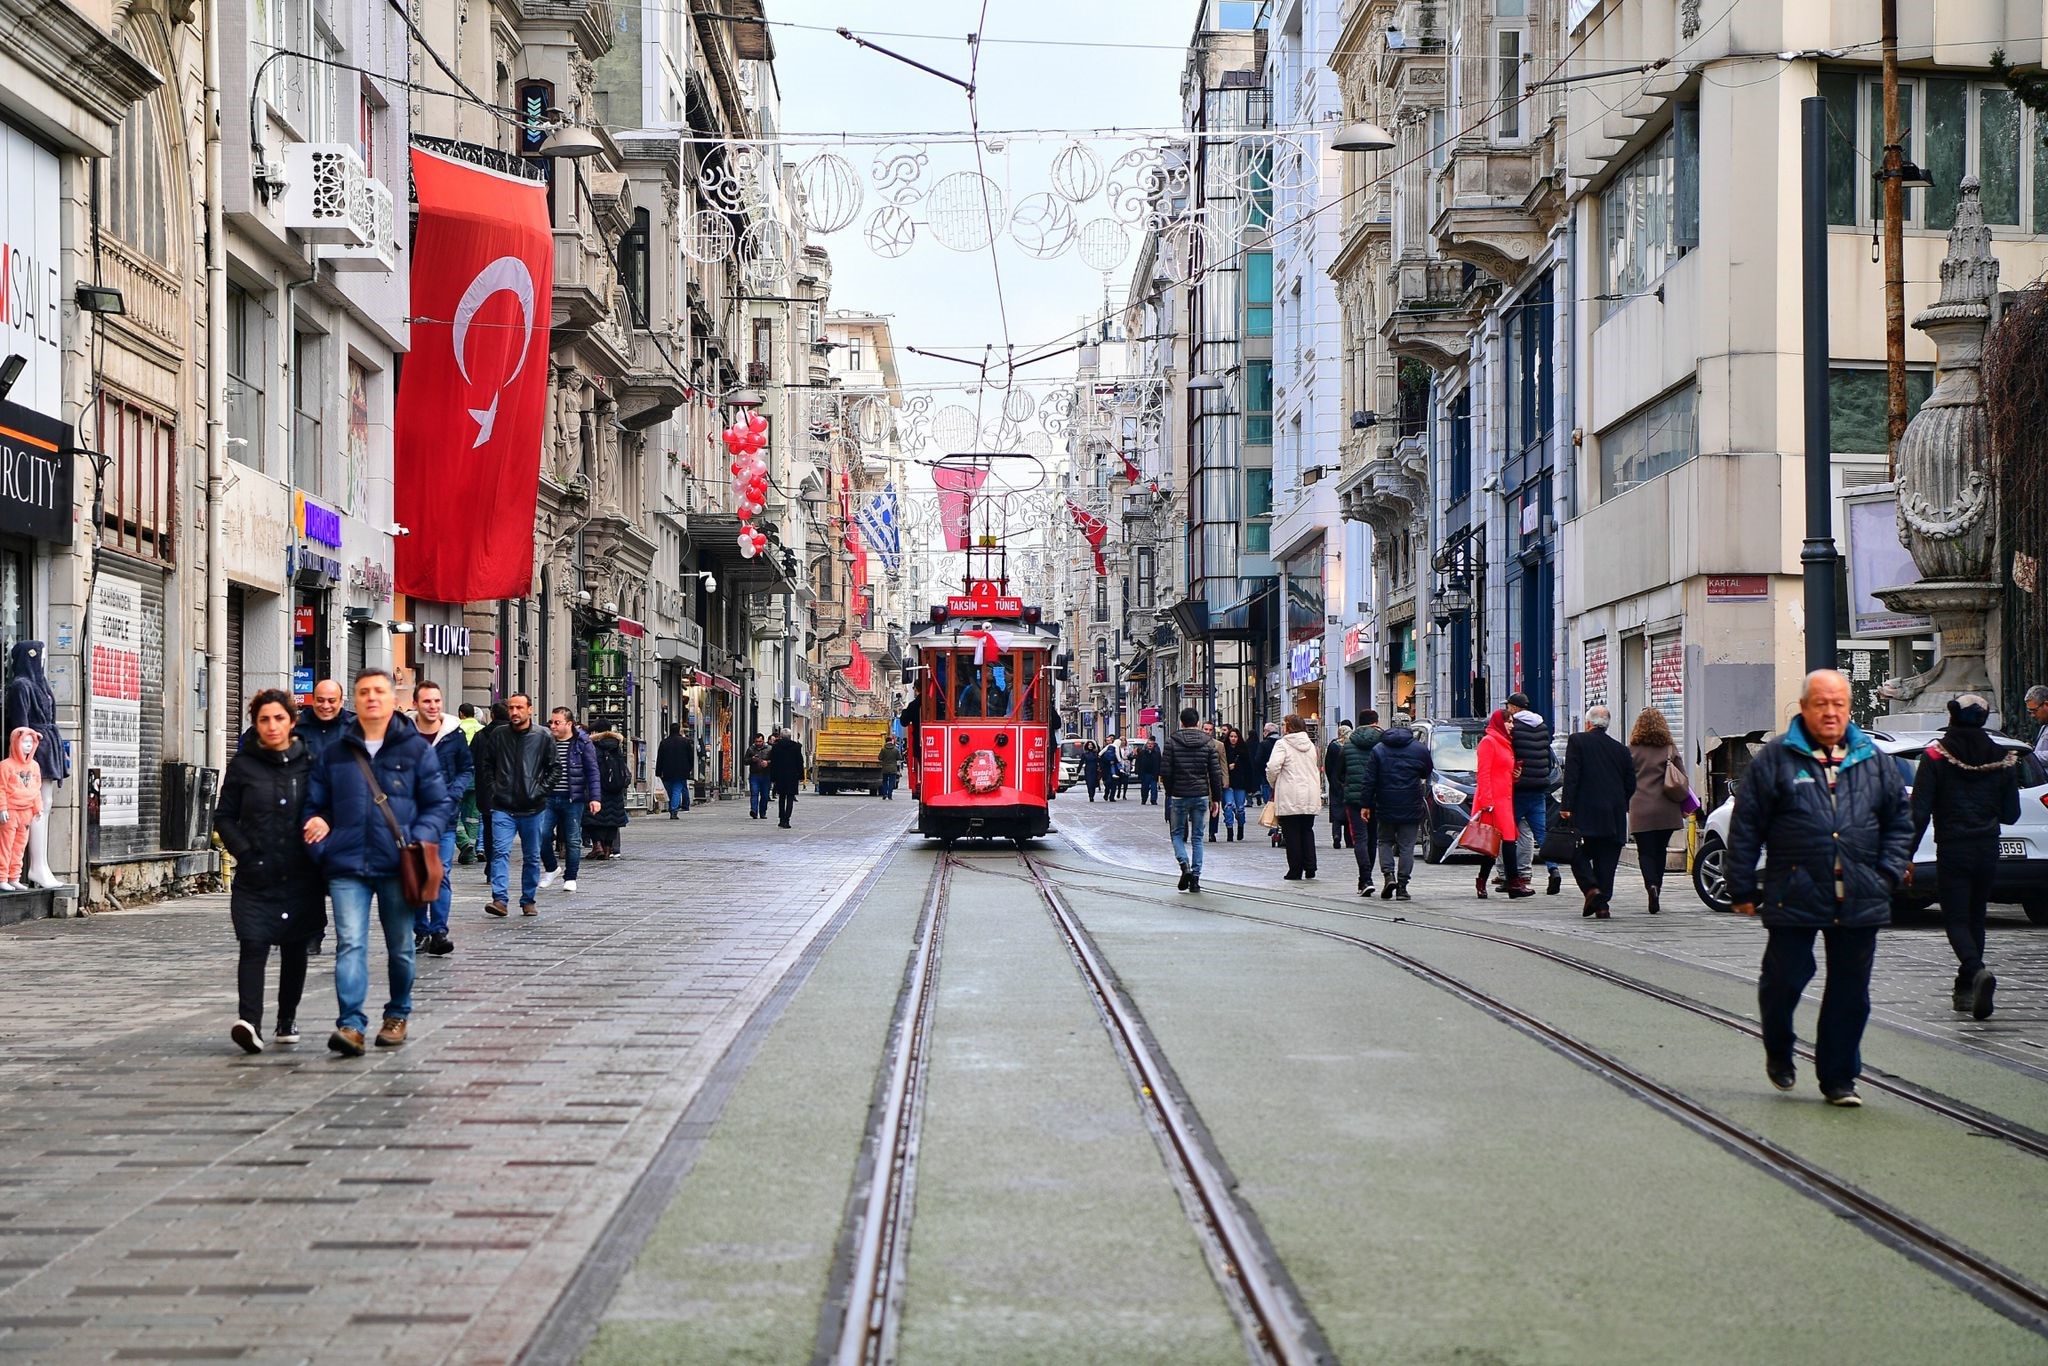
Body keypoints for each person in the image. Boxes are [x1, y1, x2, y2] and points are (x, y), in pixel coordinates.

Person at [1728, 669, 1913, 1107]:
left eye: (1839, 704)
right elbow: (1747, 825)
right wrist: (1740, 886)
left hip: (1861, 893)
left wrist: (1885, 873)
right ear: (1805, 707)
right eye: (1822, 704)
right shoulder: (1776, 759)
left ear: (1849, 709)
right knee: (1785, 980)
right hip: (1794, 888)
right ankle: (1778, 1045)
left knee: (1851, 992)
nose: (1831, 712)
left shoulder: (1874, 759)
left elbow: (1899, 824)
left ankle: (1839, 1078)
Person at [302, 669, 453, 1057]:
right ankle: (350, 1025)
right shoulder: (336, 751)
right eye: (364, 691)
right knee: (349, 943)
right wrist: (320, 831)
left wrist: (420, 838)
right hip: (346, 862)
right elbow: (315, 805)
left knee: (401, 946)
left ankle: (397, 1013)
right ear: (355, 699)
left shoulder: (414, 750)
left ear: (392, 699)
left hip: (397, 861)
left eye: (379, 691)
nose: (371, 697)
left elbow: (438, 803)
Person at [214, 690, 325, 1053]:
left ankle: (287, 1018)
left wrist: (322, 826)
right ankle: (249, 1022)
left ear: (292, 722)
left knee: (295, 948)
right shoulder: (244, 765)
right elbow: (224, 816)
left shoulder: (309, 762)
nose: (272, 725)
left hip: (300, 873)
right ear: (255, 724)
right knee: (253, 944)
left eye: (279, 718)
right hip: (256, 874)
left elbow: (327, 807)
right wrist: (245, 853)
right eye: (264, 719)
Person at [1910, 694, 2021, 1019]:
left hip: (1953, 849)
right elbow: (2011, 814)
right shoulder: (2003, 757)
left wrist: (1905, 856)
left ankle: (1975, 969)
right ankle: (1965, 989)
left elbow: (1919, 813)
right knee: (1976, 918)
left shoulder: (1936, 754)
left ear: (1953, 717)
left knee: (1956, 919)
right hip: (1987, 849)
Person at [479, 694, 556, 918]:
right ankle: (499, 899)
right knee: (500, 851)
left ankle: (528, 900)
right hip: (503, 806)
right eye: (511, 708)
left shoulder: (542, 736)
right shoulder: (499, 734)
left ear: (529, 709)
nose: (514, 712)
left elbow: (554, 768)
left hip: (533, 808)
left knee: (531, 855)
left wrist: (540, 791)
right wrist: (495, 789)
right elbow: (487, 764)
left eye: (519, 708)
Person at [411, 681, 471, 956]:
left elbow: (466, 769)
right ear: (416, 704)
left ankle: (438, 930)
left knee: (441, 873)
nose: (433, 706)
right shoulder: (403, 734)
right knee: (416, 875)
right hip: (411, 818)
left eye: (437, 701)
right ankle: (420, 931)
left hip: (445, 817)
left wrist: (453, 795)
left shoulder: (453, 734)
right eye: (427, 702)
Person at [1559, 706, 1636, 919]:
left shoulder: (1578, 741)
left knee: (1576, 853)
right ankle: (1602, 906)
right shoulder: (1621, 749)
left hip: (1586, 812)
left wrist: (1566, 806)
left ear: (1588, 723)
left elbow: (1572, 776)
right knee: (1607, 860)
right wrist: (1621, 802)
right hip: (1614, 815)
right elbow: (1631, 783)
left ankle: (1591, 889)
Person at [1355, 714, 1433, 901]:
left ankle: (1389, 875)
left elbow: (1369, 779)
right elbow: (1427, 770)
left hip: (1385, 802)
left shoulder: (1379, 749)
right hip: (1410, 802)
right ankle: (1403, 887)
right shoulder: (1419, 749)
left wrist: (1365, 804)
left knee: (1384, 841)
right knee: (1407, 846)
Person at [1627, 706, 1687, 914]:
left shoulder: (1632, 749)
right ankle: (1657, 887)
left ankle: (1650, 885)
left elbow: (1625, 778)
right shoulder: (1669, 748)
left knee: (1645, 851)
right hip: (1666, 808)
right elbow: (1682, 777)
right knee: (1660, 850)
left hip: (1640, 806)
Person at [1162, 707, 1226, 893]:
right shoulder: (1208, 743)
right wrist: (1217, 799)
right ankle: (1195, 879)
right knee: (1198, 837)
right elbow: (1215, 773)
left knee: (1177, 834)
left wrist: (1170, 791)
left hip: (1179, 795)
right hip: (1201, 795)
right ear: (1198, 723)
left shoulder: (1171, 741)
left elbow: (1165, 771)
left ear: (1181, 722)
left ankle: (1185, 866)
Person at [539, 708, 601, 893]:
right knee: (541, 835)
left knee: (573, 839)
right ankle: (551, 868)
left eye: (557, 722)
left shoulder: (582, 742)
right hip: (548, 797)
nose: (552, 726)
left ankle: (571, 877)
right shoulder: (546, 741)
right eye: (551, 722)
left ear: (569, 724)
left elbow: (592, 771)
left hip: (573, 798)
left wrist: (595, 798)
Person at [1506, 693, 1560, 895]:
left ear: (1514, 708)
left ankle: (1510, 877)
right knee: (1541, 833)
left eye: (1509, 707)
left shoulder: (1515, 728)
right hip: (1539, 786)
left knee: (1508, 833)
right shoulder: (1542, 726)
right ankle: (1553, 869)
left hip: (1519, 787)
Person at [1472, 709, 1528, 898]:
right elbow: (1484, 773)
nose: (1512, 725)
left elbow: (1503, 772)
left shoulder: (1505, 743)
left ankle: (1507, 882)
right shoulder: (1489, 742)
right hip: (1492, 800)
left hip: (1505, 799)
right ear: (1499, 722)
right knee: (1494, 843)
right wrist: (1487, 801)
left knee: (1506, 841)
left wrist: (1515, 776)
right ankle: (1507, 882)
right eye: (1508, 721)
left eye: (1512, 721)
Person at [1266, 715, 1323, 881]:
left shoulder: (1282, 744)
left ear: (1289, 727)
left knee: (1291, 834)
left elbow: (1272, 767)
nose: (1282, 727)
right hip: (1310, 793)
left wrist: (1273, 782)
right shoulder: (1311, 745)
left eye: (1284, 724)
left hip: (1290, 793)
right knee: (1307, 830)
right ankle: (1310, 866)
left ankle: (1295, 870)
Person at [1340, 712, 1383, 886]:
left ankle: (1365, 879)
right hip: (1377, 797)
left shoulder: (1348, 745)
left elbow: (1338, 773)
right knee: (1373, 838)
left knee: (1360, 838)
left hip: (1354, 799)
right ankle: (1368, 876)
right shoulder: (1382, 745)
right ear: (1376, 723)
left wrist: (1347, 786)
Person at [470, 701, 511, 878]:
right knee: (505, 828)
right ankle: (498, 865)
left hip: (485, 789)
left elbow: (469, 759)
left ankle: (491, 864)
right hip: (509, 790)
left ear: (492, 715)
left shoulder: (480, 736)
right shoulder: (514, 735)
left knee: (488, 827)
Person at [585, 729, 631, 858]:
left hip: (597, 788)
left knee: (592, 819)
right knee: (613, 820)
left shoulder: (593, 747)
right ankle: (608, 848)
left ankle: (597, 845)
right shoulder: (616, 747)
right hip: (615, 789)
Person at [297, 679, 355, 758]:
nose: (325, 706)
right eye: (320, 700)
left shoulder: (355, 726)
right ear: (313, 700)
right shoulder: (296, 726)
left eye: (331, 701)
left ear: (341, 702)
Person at [1324, 720, 1354, 849]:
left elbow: (1327, 765)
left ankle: (1336, 835)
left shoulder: (1333, 745)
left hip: (1335, 781)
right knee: (1348, 813)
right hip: (1349, 782)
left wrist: (1331, 780)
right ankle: (1349, 840)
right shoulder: (1351, 746)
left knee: (1336, 812)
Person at [655, 722, 695, 817]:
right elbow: (691, 757)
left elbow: (660, 758)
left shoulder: (664, 742)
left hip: (667, 771)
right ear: (678, 730)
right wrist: (689, 768)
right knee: (677, 790)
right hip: (682, 771)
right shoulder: (685, 742)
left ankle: (672, 807)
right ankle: (673, 810)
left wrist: (658, 771)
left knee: (669, 791)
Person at [768, 727, 805, 827]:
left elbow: (773, 763)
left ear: (780, 736)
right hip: (792, 777)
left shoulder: (776, 747)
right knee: (790, 798)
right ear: (790, 736)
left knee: (781, 798)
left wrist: (773, 777)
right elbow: (800, 762)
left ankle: (781, 819)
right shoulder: (796, 747)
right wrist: (801, 776)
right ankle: (787, 820)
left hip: (780, 776)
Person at [744, 733, 773, 819]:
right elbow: (745, 761)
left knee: (764, 795)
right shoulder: (751, 749)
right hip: (754, 774)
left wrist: (767, 763)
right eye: (756, 741)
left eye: (760, 741)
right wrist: (752, 759)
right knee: (754, 793)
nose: (758, 743)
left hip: (766, 775)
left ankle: (762, 812)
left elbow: (775, 760)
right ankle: (754, 811)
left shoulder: (769, 749)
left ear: (763, 741)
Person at [1134, 736, 1161, 805]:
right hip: (1145, 773)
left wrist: (1160, 772)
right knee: (1144, 788)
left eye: (1151, 744)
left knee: (1154, 788)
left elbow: (1159, 762)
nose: (1150, 745)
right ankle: (1144, 799)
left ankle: (1153, 800)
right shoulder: (1142, 753)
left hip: (1153, 773)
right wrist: (1137, 770)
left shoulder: (1157, 753)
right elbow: (1138, 762)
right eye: (1148, 743)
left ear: (1154, 744)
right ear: (1146, 744)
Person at [877, 736, 904, 800]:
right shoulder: (895, 749)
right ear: (891, 741)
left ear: (886, 741)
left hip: (885, 768)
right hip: (893, 769)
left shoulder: (883, 749)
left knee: (885, 781)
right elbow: (899, 758)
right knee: (891, 782)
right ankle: (890, 795)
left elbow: (879, 758)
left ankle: (884, 794)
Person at [2026, 684, 2048, 767]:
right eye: (2030, 712)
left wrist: (2028, 756)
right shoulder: (2044, 725)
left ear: (2046, 705)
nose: (2032, 715)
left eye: (2034, 710)